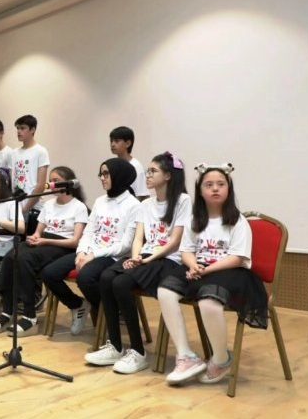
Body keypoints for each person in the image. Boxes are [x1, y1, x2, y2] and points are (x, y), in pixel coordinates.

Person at [156, 163, 268, 386]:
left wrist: (205, 269)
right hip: (200, 269)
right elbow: (186, 251)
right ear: (200, 191)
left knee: (208, 301)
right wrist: (193, 265)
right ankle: (186, 355)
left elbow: (237, 258)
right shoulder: (194, 220)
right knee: (165, 291)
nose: (215, 188)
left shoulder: (238, 221)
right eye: (209, 185)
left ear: (229, 189)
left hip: (231, 272)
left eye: (220, 184)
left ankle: (221, 359)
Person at [85, 152, 190, 373]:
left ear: (168, 176)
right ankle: (115, 345)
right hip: (144, 257)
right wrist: (135, 257)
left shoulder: (183, 201)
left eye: (153, 171)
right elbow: (139, 238)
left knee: (121, 283)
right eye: (148, 171)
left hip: (168, 260)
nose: (147, 175)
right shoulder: (146, 204)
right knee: (106, 277)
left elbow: (175, 241)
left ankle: (138, 351)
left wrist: (146, 259)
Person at [41, 158, 140, 335]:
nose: (102, 178)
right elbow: (88, 232)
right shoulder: (100, 201)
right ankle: (79, 305)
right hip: (89, 251)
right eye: (101, 174)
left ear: (119, 175)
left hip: (112, 256)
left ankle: (109, 309)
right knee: (49, 273)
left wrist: (93, 255)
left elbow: (125, 245)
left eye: (106, 174)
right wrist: (81, 252)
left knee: (85, 278)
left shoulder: (134, 205)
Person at [0, 166, 88, 337]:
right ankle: (7, 311)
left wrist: (44, 241)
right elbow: (38, 232)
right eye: (51, 180)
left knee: (25, 259)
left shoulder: (79, 207)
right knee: (11, 256)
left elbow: (75, 242)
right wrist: (34, 237)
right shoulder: (48, 205)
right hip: (44, 242)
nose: (52, 184)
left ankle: (29, 316)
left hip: (62, 246)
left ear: (68, 183)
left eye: (56, 181)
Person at [10, 115, 50, 234]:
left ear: (32, 130)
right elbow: (12, 181)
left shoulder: (40, 151)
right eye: (17, 128)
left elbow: (41, 185)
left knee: (28, 240)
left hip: (33, 207)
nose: (19, 131)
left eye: (22, 128)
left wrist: (26, 208)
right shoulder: (14, 153)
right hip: (16, 205)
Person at [109, 126, 149, 201]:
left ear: (128, 143)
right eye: (111, 141)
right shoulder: (114, 166)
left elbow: (142, 195)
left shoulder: (136, 166)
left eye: (116, 141)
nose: (112, 144)